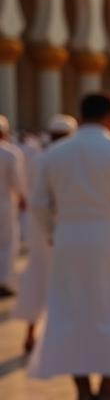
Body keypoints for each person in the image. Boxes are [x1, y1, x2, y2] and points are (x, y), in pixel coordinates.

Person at [28, 93, 110, 400]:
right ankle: (109, 387)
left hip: (69, 238)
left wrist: (52, 233)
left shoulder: (54, 154)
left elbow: (39, 203)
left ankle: (84, 392)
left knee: (71, 311)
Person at [13, 115, 75, 354]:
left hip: (40, 227)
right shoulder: (69, 160)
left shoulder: (39, 158)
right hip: (62, 227)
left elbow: (31, 194)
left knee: (38, 276)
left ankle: (31, 333)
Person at [0, 115, 25, 298]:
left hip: (6, 202)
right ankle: (5, 282)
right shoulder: (9, 153)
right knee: (8, 244)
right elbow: (16, 181)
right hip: (5, 204)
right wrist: (23, 197)